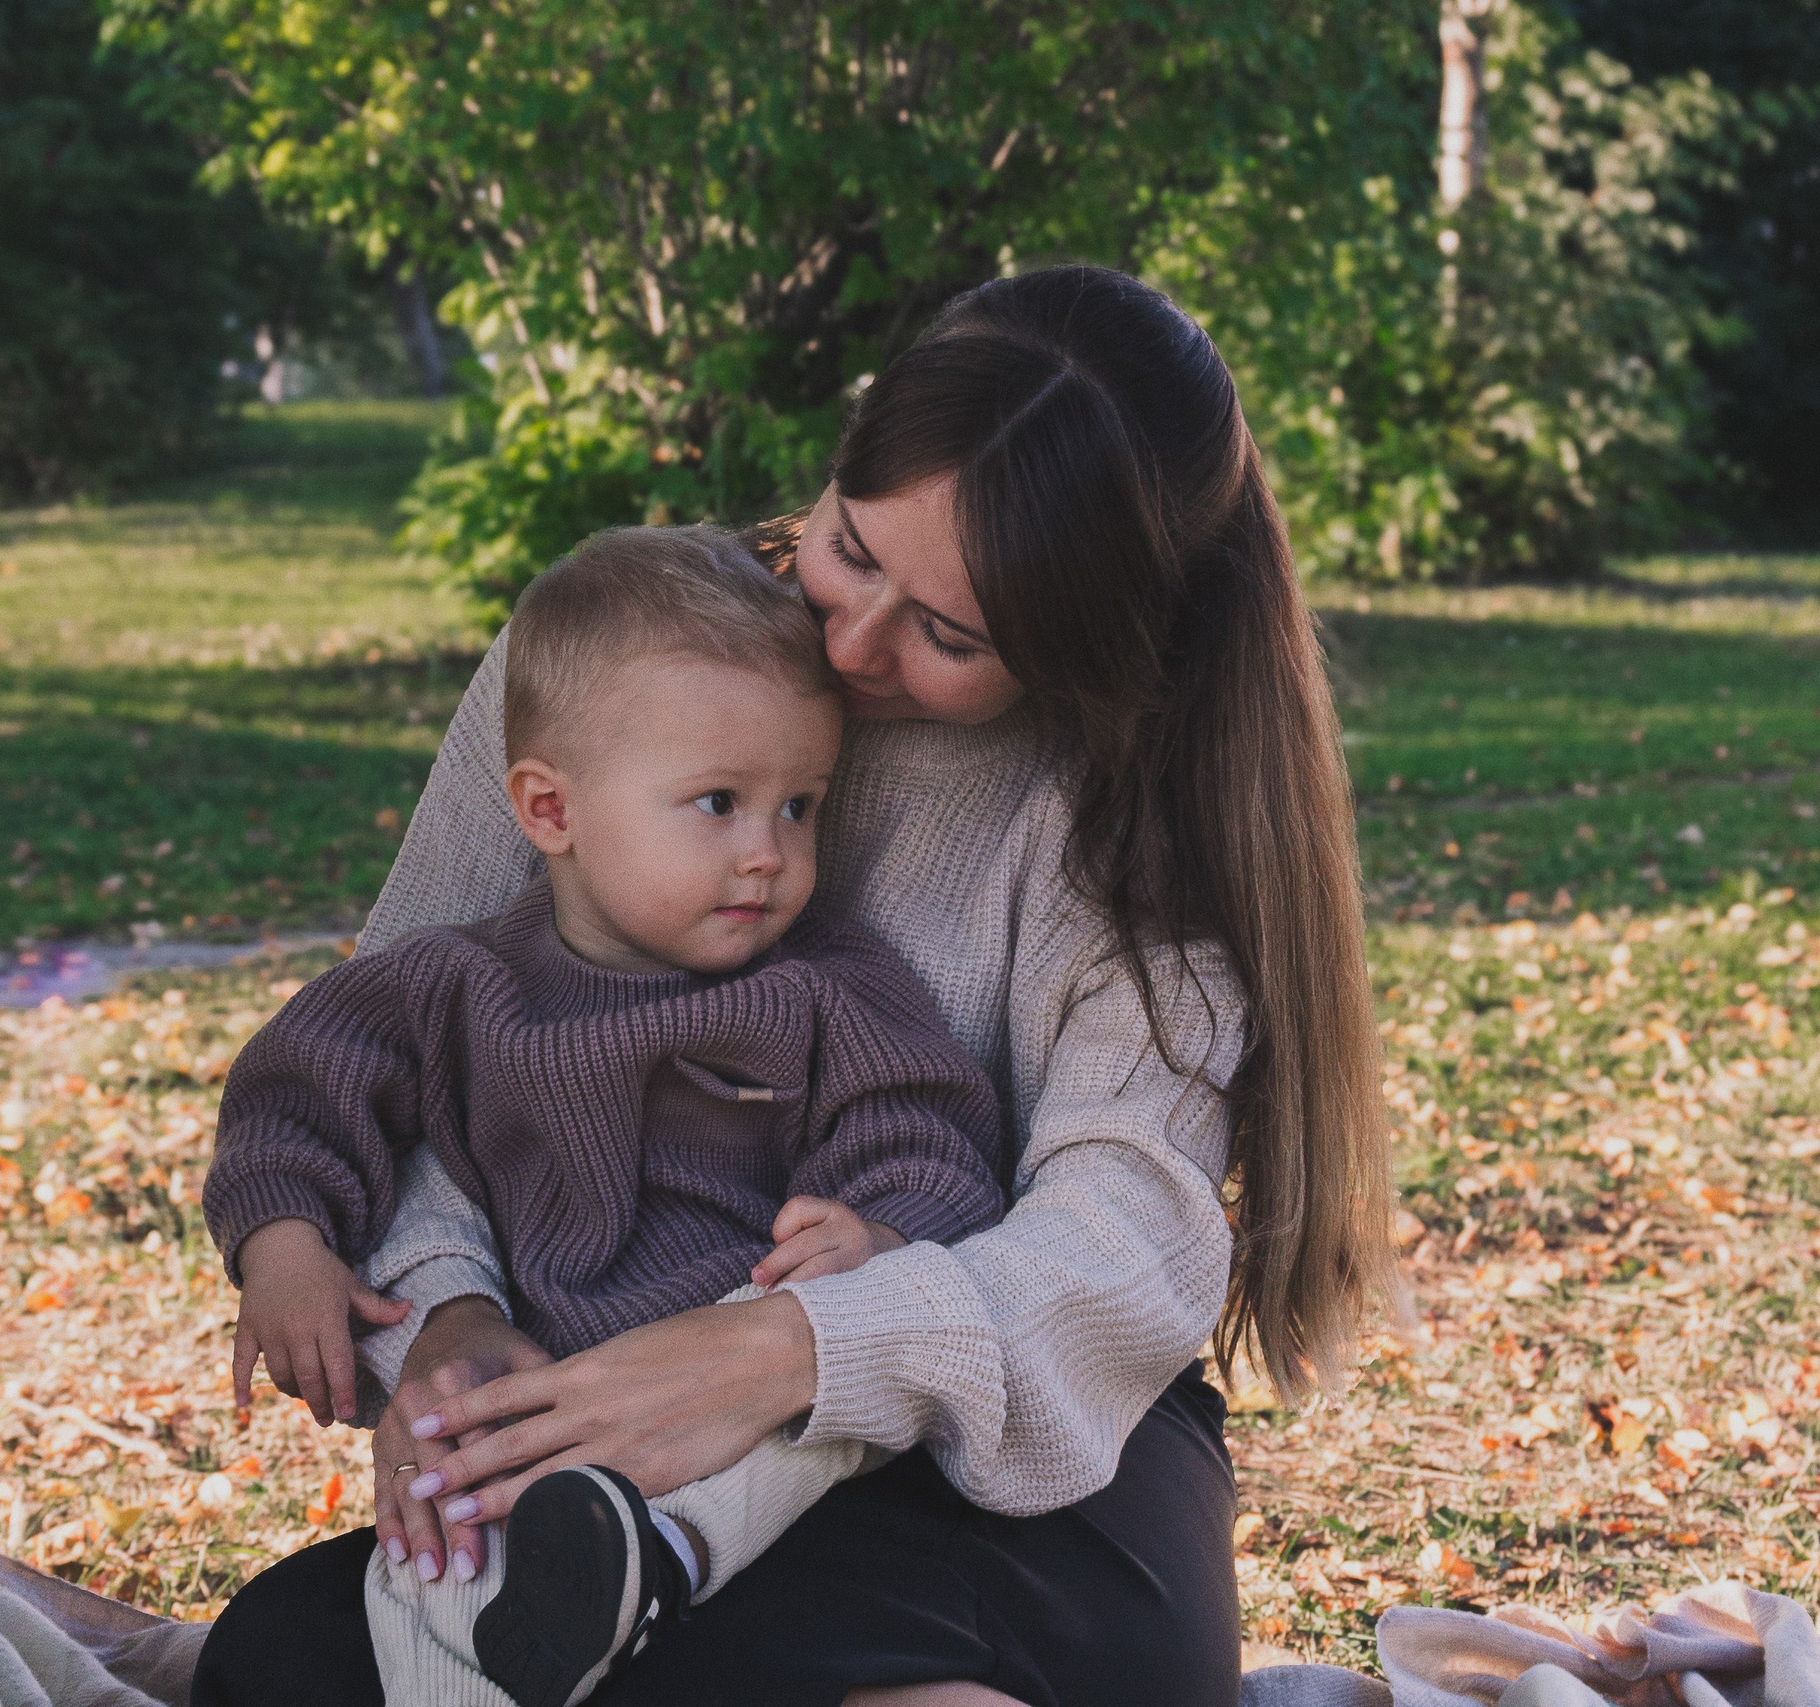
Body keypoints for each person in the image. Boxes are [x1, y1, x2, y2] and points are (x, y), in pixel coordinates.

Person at [190, 264, 1399, 1707]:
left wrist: (790, 1346)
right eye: (847, 546)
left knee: (719, 1654)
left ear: (1090, 640)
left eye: (949, 634)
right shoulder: (616, 652)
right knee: (278, 1666)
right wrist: (447, 1321)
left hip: (1006, 1447)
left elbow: (1118, 1232)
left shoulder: (1132, 813)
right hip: (617, 1412)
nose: (850, 642)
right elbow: (405, 1045)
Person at [200, 528, 1010, 1707]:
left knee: (834, 1382)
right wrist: (282, 1244)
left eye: (800, 807)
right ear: (548, 809)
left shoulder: (823, 987)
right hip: (543, 1405)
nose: (768, 855)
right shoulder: (454, 988)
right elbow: (294, 1094)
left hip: (749, 1400)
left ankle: (659, 1563)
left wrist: (876, 1242)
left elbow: (925, 1135)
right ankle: (519, 1641)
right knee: (432, 1545)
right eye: (719, 803)